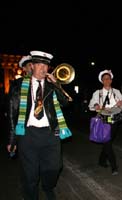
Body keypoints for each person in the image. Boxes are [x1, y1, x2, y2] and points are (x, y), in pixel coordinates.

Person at [7, 50, 72, 200]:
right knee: (30, 174)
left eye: (46, 65)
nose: (44, 68)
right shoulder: (18, 85)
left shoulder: (51, 85)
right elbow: (12, 113)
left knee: (55, 168)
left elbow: (66, 103)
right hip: (28, 135)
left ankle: (48, 186)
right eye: (40, 64)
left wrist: (56, 84)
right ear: (32, 66)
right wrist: (12, 139)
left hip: (50, 134)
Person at [88, 69, 122, 175]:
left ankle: (101, 160)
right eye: (104, 79)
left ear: (111, 80)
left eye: (108, 78)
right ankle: (114, 166)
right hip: (103, 119)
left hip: (114, 118)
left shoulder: (116, 91)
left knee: (108, 141)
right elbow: (91, 105)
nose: (106, 80)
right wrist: (96, 105)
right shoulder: (98, 93)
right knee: (108, 143)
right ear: (102, 81)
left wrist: (120, 104)